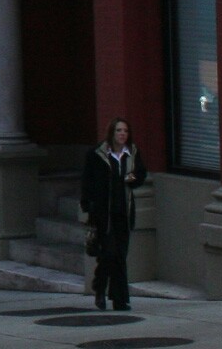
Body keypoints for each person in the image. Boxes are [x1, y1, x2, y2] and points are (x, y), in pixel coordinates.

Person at [79, 118, 149, 312]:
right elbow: (87, 180)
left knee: (120, 256)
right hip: (103, 214)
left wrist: (130, 178)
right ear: (112, 132)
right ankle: (100, 289)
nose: (122, 134)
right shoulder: (97, 154)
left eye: (125, 131)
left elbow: (140, 173)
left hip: (123, 212)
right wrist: (88, 205)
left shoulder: (131, 152)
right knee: (108, 254)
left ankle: (120, 299)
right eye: (119, 130)